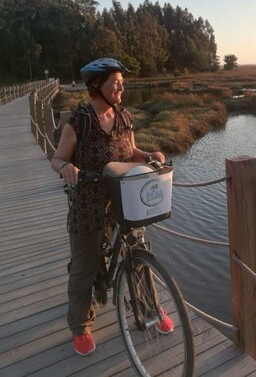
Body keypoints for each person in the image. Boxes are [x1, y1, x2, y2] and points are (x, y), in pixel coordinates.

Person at [51, 57, 173, 356]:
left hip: (124, 198)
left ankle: (150, 307)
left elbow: (130, 151)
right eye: (115, 82)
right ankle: (80, 326)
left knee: (139, 252)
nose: (121, 87)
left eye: (122, 82)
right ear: (96, 85)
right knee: (84, 267)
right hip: (88, 203)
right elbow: (57, 158)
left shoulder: (124, 117)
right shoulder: (79, 120)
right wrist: (66, 167)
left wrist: (148, 155)